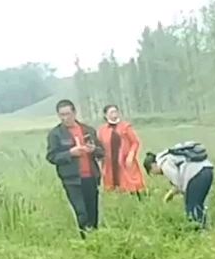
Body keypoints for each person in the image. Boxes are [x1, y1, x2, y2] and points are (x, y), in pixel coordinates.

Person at [46, 99, 106, 235]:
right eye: (61, 115)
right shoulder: (55, 134)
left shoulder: (88, 130)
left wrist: (93, 149)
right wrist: (70, 153)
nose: (65, 118)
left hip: (90, 177)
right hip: (71, 180)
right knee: (81, 212)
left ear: (74, 113)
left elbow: (102, 152)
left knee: (93, 212)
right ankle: (85, 239)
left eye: (67, 114)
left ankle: (96, 238)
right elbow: (51, 157)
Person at [147, 143, 215, 230]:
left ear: (153, 165)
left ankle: (199, 232)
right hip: (208, 170)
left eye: (153, 172)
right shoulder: (170, 156)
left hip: (196, 174)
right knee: (199, 204)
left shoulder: (164, 163)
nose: (156, 174)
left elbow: (178, 184)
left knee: (192, 206)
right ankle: (206, 229)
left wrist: (168, 196)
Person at [99, 105, 145, 195]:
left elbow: (135, 142)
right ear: (106, 115)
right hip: (110, 161)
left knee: (131, 182)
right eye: (111, 112)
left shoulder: (125, 127)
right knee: (112, 183)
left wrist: (131, 155)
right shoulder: (102, 130)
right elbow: (100, 145)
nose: (114, 114)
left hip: (125, 160)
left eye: (116, 112)